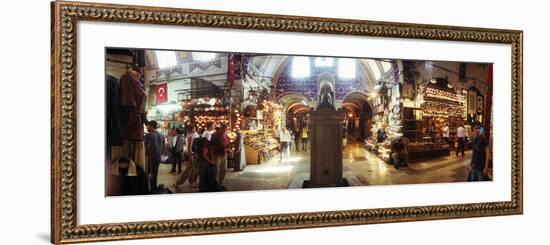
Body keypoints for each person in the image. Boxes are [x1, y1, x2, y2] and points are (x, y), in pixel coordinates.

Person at [144, 120, 164, 192]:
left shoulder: (148, 135)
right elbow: (163, 147)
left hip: (150, 157)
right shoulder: (161, 136)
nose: (147, 127)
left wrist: (146, 152)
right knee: (155, 174)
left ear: (152, 126)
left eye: (148, 125)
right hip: (158, 157)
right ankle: (154, 188)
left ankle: (150, 189)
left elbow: (145, 147)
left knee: (149, 173)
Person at [210, 124, 229, 190]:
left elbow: (227, 144)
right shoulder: (215, 135)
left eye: (226, 129)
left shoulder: (225, 135)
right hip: (217, 154)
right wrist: (212, 157)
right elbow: (212, 147)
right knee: (216, 170)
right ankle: (215, 184)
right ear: (221, 128)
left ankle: (220, 184)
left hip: (224, 154)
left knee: (224, 169)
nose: (225, 130)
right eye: (224, 129)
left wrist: (227, 148)